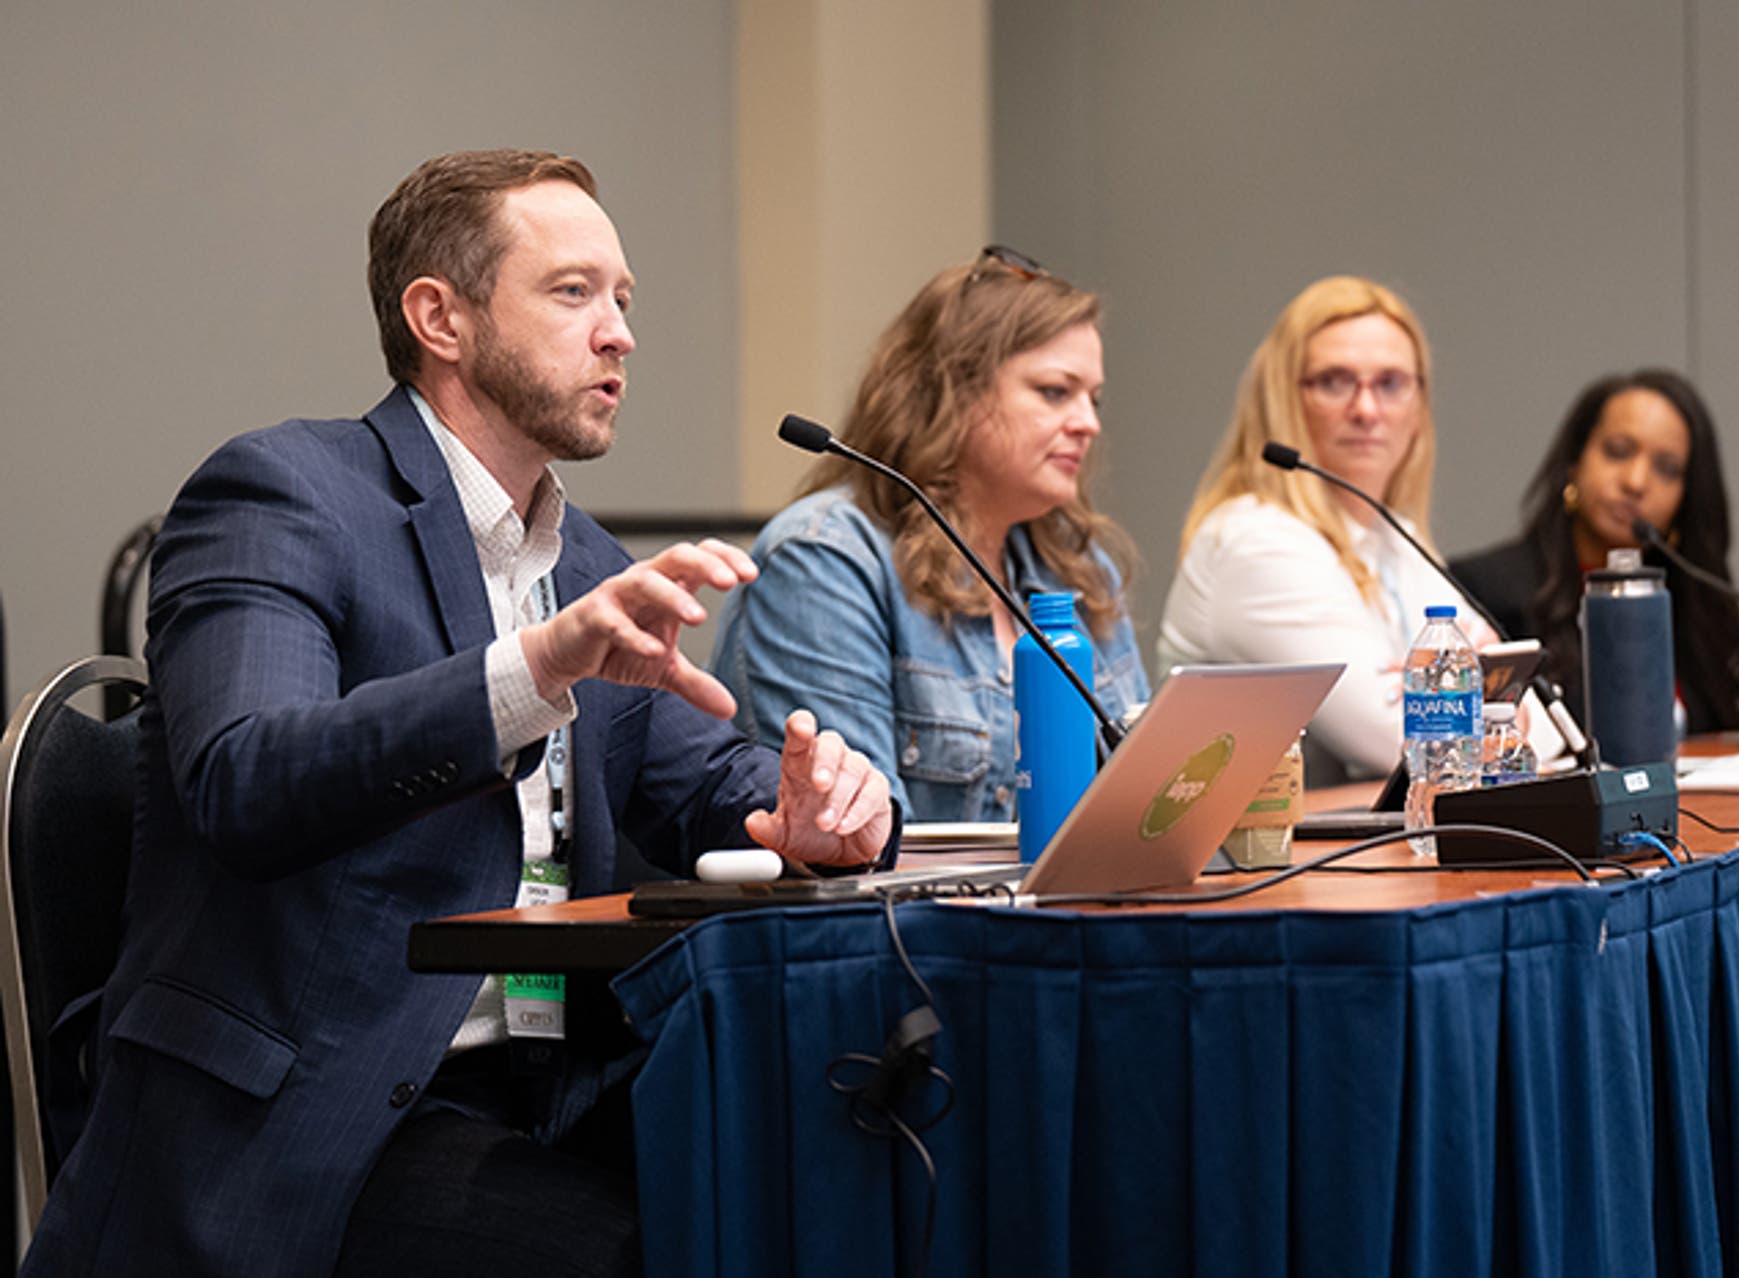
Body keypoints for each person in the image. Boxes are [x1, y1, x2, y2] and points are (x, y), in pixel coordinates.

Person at [24, 150, 897, 1278]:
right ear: (439, 316)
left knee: (839, 1190)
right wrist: (531, 668)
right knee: (639, 1254)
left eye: (624, 299)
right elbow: (248, 779)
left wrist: (808, 810)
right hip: (319, 1110)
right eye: (574, 292)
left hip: (546, 1086)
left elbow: (707, 783)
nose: (621, 333)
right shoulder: (282, 494)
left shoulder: (581, 559)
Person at [709, 247, 1152, 821]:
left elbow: (1143, 801)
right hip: (904, 911)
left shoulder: (1077, 565)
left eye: (1092, 399)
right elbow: (858, 838)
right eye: (1053, 392)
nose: (1088, 423)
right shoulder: (824, 556)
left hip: (1072, 906)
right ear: (952, 392)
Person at [1158, 275, 1544, 782]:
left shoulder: (1393, 535)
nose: (1366, 410)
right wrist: (1473, 697)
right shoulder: (1254, 541)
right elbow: (1404, 745)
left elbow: (1548, 729)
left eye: (1390, 384)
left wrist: (1461, 703)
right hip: (1248, 859)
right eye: (1335, 381)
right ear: (1282, 398)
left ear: (1419, 406)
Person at [1453, 369, 1739, 732]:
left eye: (1667, 469)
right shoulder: (1489, 589)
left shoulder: (1696, 603)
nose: (1636, 482)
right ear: (1574, 462)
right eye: (1618, 452)